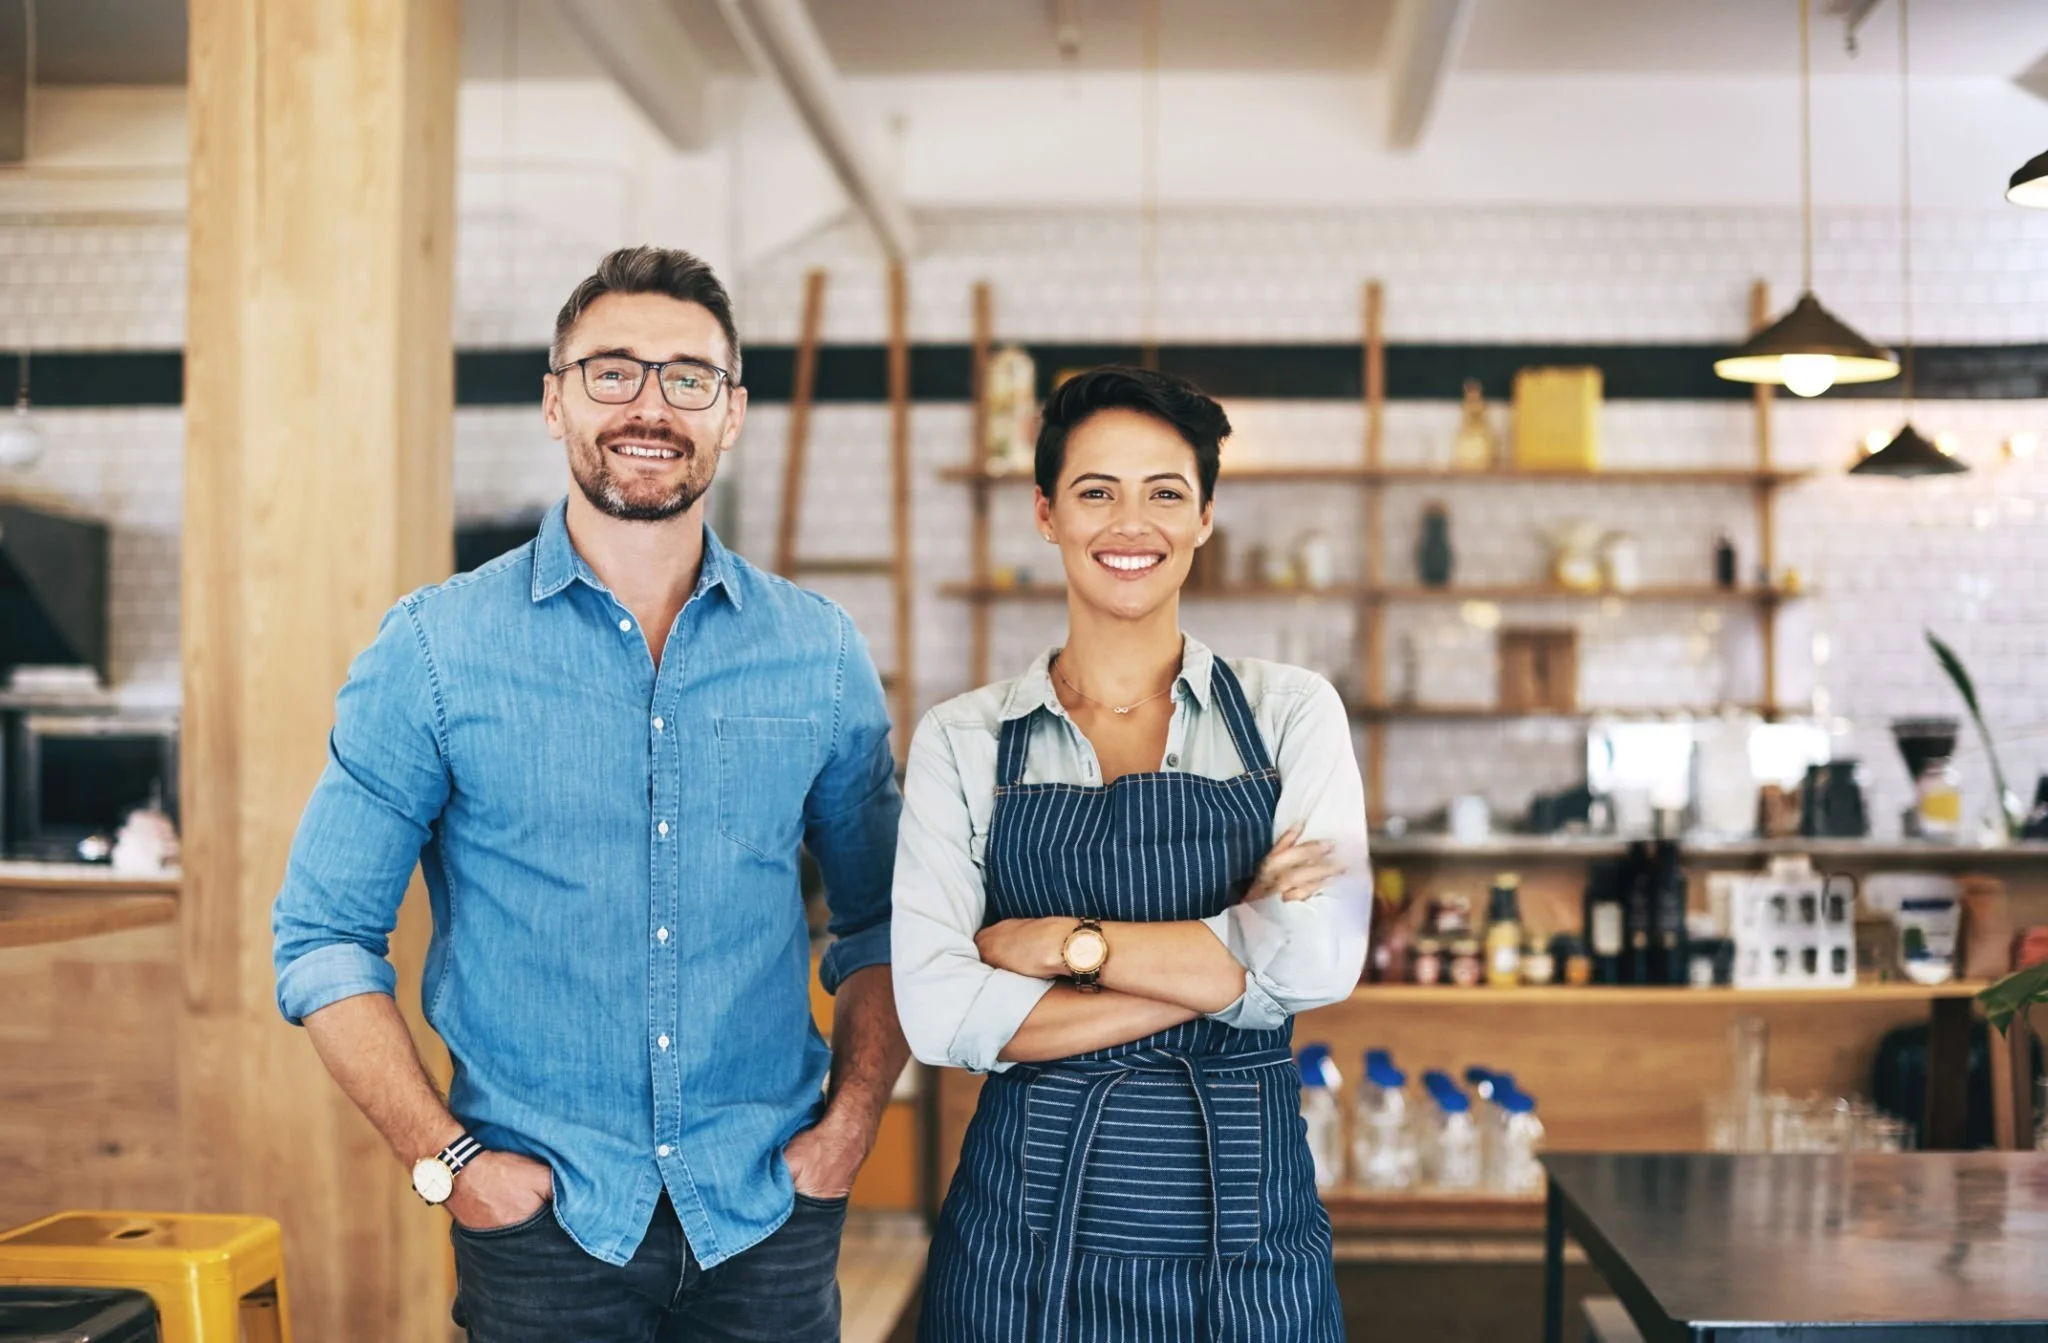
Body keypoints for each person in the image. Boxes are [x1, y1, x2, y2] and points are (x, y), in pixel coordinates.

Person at [271, 246, 908, 1342]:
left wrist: (850, 1125)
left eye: (688, 377)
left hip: (764, 1215)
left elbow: (881, 918)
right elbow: (322, 938)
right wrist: (450, 1162)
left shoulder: (818, 652)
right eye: (612, 372)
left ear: (732, 413)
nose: (650, 405)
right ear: (554, 400)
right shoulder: (434, 648)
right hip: (541, 1228)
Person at [893, 365, 1370, 1341]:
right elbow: (939, 1013)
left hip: (1243, 1229)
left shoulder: (1290, 713)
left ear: (1203, 516)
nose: (1130, 522)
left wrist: (1067, 944)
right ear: (1044, 512)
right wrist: (1238, 946)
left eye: (1163, 491)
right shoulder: (962, 737)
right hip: (1023, 1235)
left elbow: (1319, 960)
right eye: (1094, 490)